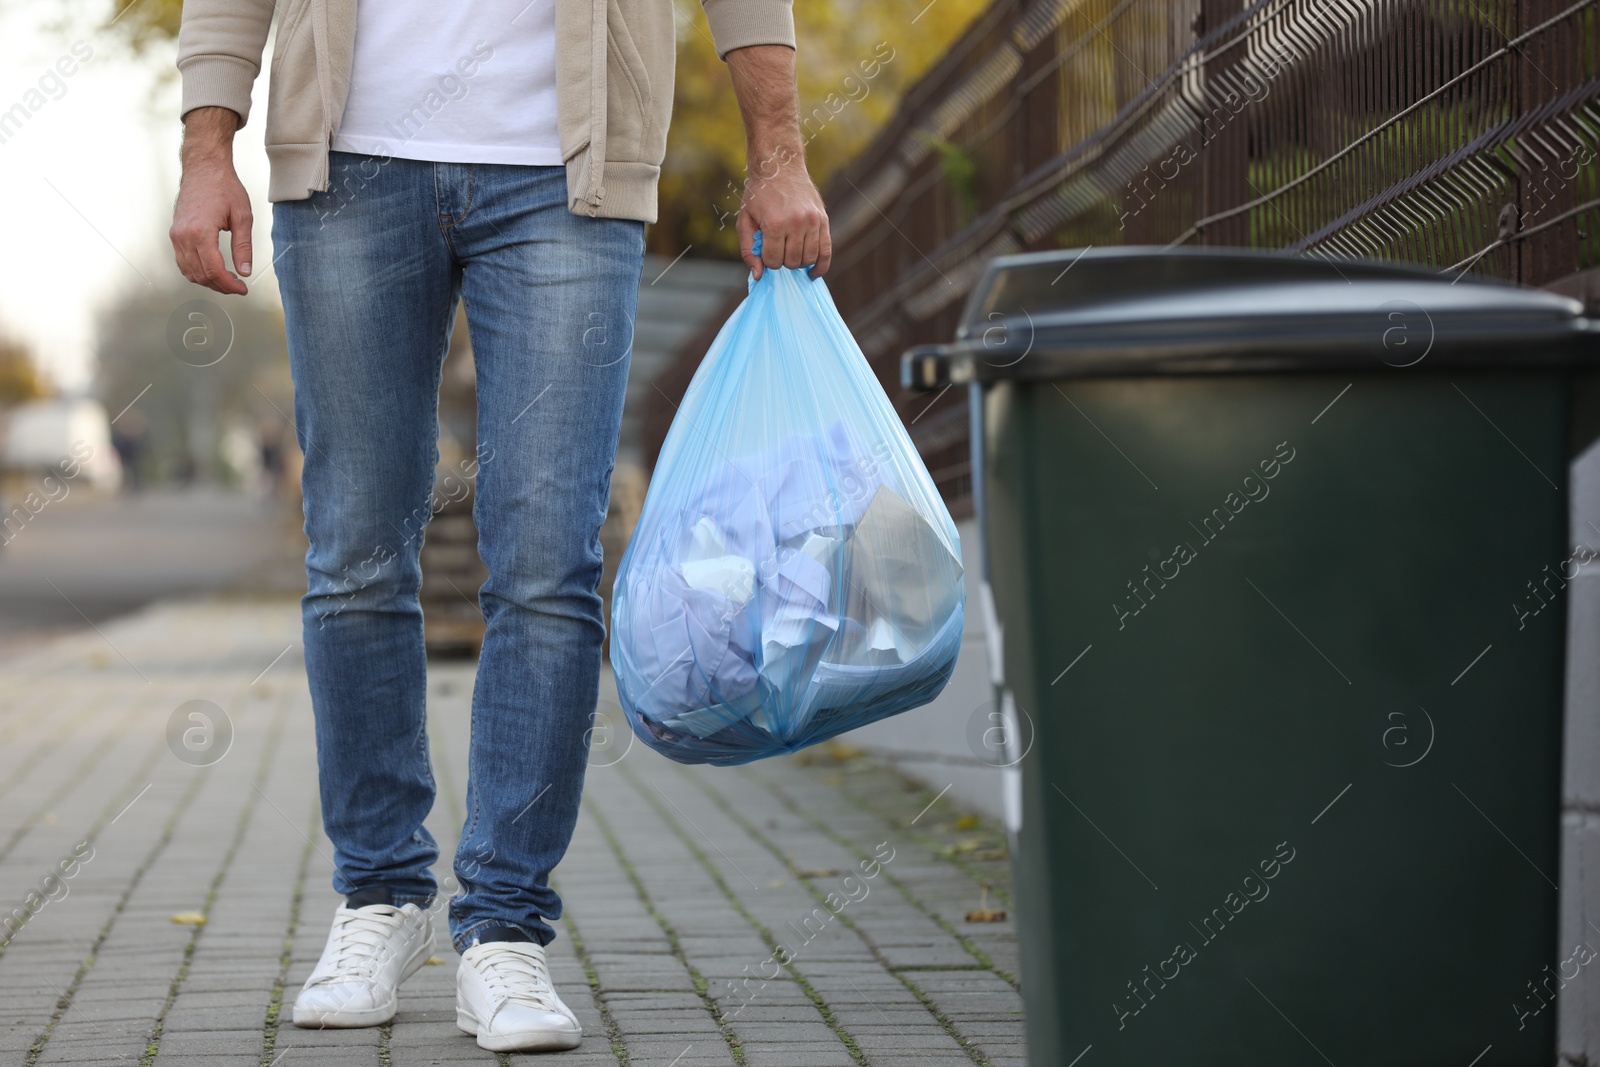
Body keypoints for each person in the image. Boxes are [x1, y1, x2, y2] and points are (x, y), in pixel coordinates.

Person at [168, 0, 831, 1053]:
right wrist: (210, 146)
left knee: (548, 565)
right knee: (353, 556)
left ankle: (506, 927)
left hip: (567, 177)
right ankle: (378, 897)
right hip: (346, 167)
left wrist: (779, 156)